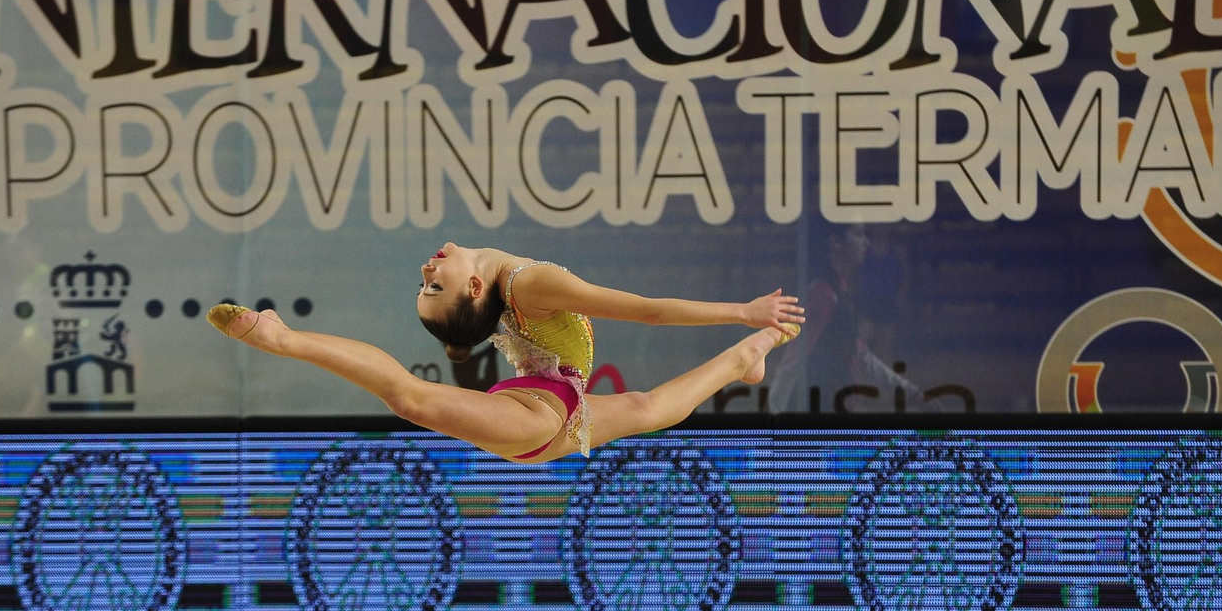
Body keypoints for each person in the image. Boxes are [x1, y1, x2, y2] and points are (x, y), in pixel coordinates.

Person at [208, 242, 802, 463]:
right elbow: (645, 309)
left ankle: (746, 357)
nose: (427, 268)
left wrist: (749, 326)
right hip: (541, 412)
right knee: (411, 398)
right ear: (473, 291)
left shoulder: (506, 289)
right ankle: (282, 339)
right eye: (432, 284)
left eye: (425, 283)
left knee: (648, 408)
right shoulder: (529, 287)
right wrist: (741, 309)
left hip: (545, 414)